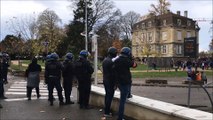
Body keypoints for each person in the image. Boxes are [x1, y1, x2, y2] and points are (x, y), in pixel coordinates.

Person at [113, 47, 137, 120]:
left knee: (124, 95)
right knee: (122, 101)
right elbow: (135, 65)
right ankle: (120, 118)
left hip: (118, 81)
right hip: (125, 82)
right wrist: (132, 59)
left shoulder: (116, 60)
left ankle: (129, 95)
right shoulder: (126, 60)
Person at [102, 47, 117, 117]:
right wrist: (115, 83)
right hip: (110, 81)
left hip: (105, 79)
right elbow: (113, 74)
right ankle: (107, 112)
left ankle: (106, 109)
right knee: (109, 96)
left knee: (107, 95)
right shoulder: (111, 62)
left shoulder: (105, 60)